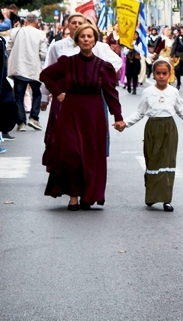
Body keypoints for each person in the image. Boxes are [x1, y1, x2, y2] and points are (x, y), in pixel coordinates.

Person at [39, 23, 125, 210]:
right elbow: (45, 75)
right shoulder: (66, 62)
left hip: (94, 114)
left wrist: (118, 117)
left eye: (90, 36)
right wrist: (58, 93)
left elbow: (111, 93)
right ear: (77, 40)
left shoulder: (104, 67)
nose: (86, 39)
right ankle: (73, 196)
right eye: (82, 36)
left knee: (92, 155)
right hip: (70, 112)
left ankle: (88, 196)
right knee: (72, 154)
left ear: (95, 40)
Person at [117, 59, 183, 211]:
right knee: (152, 162)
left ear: (169, 74)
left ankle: (166, 199)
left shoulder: (173, 92)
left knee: (167, 163)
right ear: (153, 74)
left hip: (169, 129)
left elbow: (180, 109)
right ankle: (151, 196)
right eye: (158, 73)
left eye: (164, 73)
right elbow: (140, 112)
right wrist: (125, 123)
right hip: (152, 128)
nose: (161, 76)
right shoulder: (148, 92)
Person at [6, 13, 48, 131]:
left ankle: (21, 122)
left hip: (19, 68)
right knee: (37, 93)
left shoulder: (15, 32)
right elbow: (43, 53)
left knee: (18, 96)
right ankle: (34, 117)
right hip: (34, 69)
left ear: (25, 21)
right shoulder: (40, 34)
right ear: (36, 22)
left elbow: (9, 48)